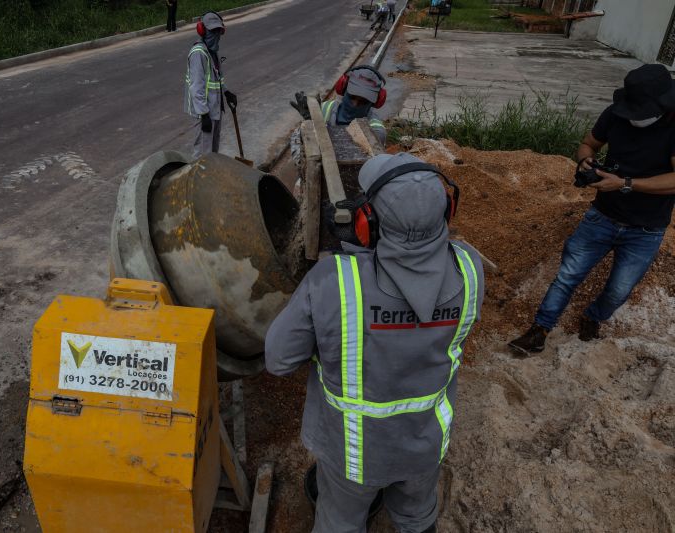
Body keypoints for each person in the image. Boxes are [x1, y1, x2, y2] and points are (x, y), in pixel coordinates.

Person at [265, 152, 485, 533]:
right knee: (417, 516)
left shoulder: (333, 280)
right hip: (426, 442)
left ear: (366, 223)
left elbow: (279, 360)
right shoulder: (470, 267)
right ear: (447, 212)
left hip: (354, 453)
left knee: (340, 522)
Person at [509, 63, 675, 355]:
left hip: (646, 229)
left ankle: (594, 316)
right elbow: (588, 144)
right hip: (602, 217)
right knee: (567, 276)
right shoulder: (616, 114)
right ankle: (538, 331)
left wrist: (625, 183)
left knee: (617, 292)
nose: (634, 118)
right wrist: (585, 160)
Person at [183, 11, 237, 159]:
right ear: (202, 30)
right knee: (202, 155)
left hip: (214, 109)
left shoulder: (213, 52)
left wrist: (226, 93)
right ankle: (198, 181)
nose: (216, 35)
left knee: (213, 153)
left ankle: (209, 180)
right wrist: (204, 114)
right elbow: (196, 87)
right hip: (204, 113)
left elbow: (217, 78)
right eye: (212, 31)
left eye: (218, 31)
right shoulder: (198, 53)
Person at [290, 65, 388, 145]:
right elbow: (300, 145)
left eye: (363, 102)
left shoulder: (376, 130)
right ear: (343, 90)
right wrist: (310, 123)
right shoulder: (323, 109)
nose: (354, 104)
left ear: (374, 103)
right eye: (352, 97)